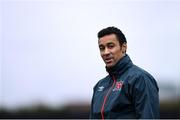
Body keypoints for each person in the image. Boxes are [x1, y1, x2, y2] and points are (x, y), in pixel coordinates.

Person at [89, 26, 160, 119]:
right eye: (102, 48)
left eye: (110, 46)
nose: (105, 52)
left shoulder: (140, 79)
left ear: (123, 47)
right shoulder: (99, 86)